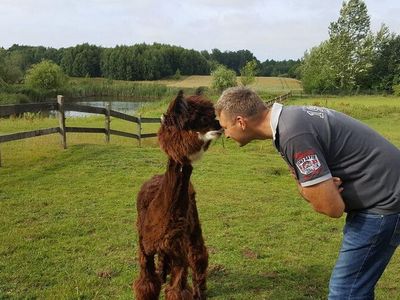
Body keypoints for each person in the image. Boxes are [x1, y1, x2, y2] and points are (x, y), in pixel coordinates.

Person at [215, 86, 400, 299]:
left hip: (384, 204)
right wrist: (316, 189)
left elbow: (331, 208)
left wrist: (310, 189)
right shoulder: (290, 120)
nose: (226, 135)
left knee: (345, 292)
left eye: (225, 127)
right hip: (384, 195)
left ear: (240, 122)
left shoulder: (293, 134)